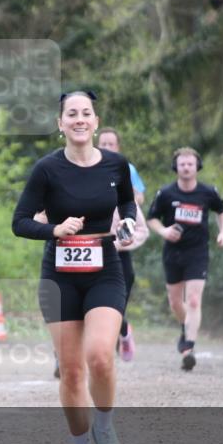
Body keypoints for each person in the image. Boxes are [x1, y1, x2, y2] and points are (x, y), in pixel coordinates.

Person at [12, 90, 138, 444]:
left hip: (105, 270)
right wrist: (55, 229)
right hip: (60, 276)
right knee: (70, 371)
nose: (79, 119)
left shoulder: (117, 165)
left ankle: (106, 428)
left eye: (86, 113)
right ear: (60, 123)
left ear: (96, 122)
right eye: (72, 114)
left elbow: (129, 205)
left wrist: (129, 223)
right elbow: (20, 221)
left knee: (100, 356)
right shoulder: (47, 170)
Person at [146, 147, 223, 371]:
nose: (186, 167)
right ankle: (185, 326)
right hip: (172, 253)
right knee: (175, 302)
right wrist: (164, 231)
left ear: (197, 166)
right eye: (182, 164)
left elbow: (222, 209)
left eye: (190, 164)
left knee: (192, 300)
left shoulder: (208, 192)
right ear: (176, 167)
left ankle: (188, 348)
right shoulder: (166, 193)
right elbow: (151, 218)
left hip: (197, 252)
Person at [95, 128, 150, 360]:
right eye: (103, 143)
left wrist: (123, 199)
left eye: (111, 144)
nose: (107, 147)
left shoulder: (126, 169)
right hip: (89, 249)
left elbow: (138, 199)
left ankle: (123, 331)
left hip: (118, 246)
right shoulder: (86, 168)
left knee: (117, 303)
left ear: (118, 147)